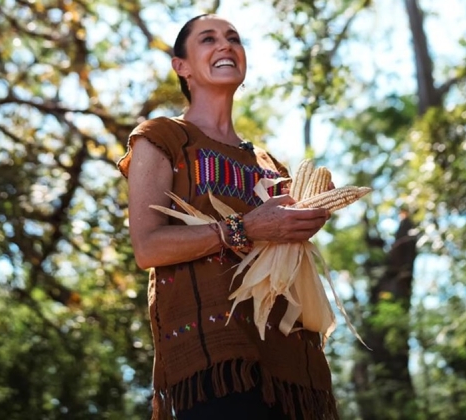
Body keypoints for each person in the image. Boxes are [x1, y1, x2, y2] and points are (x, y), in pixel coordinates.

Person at [118, 14, 338, 420]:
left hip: (291, 371)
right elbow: (147, 247)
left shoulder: (271, 165)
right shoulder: (162, 138)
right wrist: (245, 228)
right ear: (181, 66)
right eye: (208, 39)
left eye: (233, 38)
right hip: (214, 364)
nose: (226, 45)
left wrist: (301, 227)